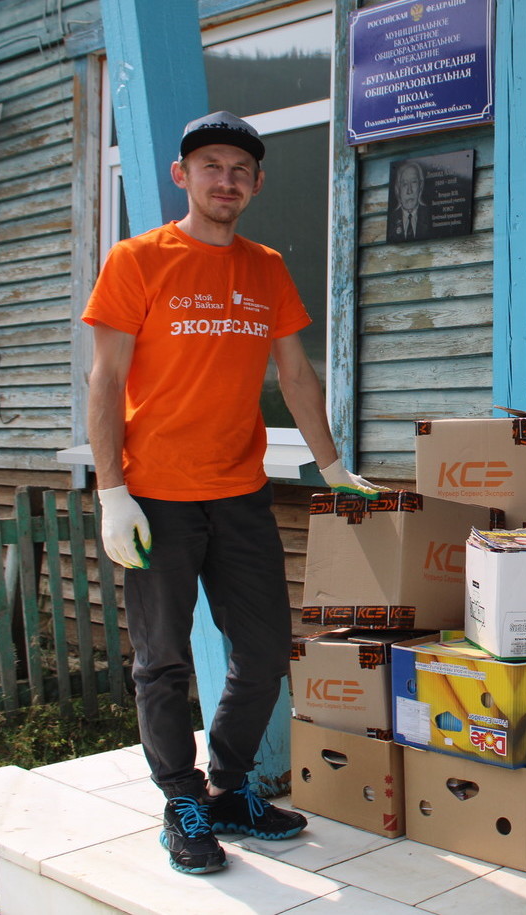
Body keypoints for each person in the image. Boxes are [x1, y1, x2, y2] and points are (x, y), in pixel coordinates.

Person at [84, 111, 382, 875]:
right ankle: (180, 802)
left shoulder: (266, 266)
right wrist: (111, 489)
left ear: (255, 184)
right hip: (155, 496)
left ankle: (227, 785)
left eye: (241, 170)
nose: (227, 180)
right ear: (182, 176)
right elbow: (107, 379)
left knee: (263, 648)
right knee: (163, 661)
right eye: (211, 166)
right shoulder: (137, 259)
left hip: (241, 490)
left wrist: (330, 462)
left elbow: (296, 373)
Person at [389, 159, 430, 241]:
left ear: (420, 186)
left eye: (414, 182)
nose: (409, 191)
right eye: (404, 184)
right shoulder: (391, 220)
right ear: (398, 189)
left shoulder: (430, 216)